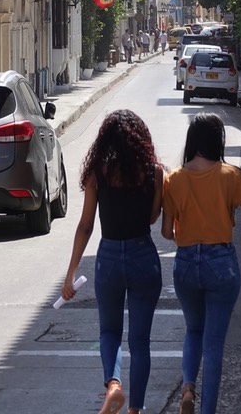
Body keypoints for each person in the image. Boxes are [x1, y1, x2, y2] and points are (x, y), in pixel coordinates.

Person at [61, 110, 164, 414]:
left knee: (109, 332)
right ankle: (136, 410)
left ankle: (114, 385)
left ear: (105, 140)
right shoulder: (154, 171)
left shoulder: (98, 173)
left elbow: (85, 225)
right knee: (141, 340)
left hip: (108, 258)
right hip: (143, 255)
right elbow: (153, 217)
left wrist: (71, 273)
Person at [161, 113, 241, 414]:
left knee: (193, 330)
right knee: (214, 344)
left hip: (186, 264)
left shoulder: (175, 179)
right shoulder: (231, 175)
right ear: (218, 141)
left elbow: (167, 232)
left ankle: (189, 387)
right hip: (222, 264)